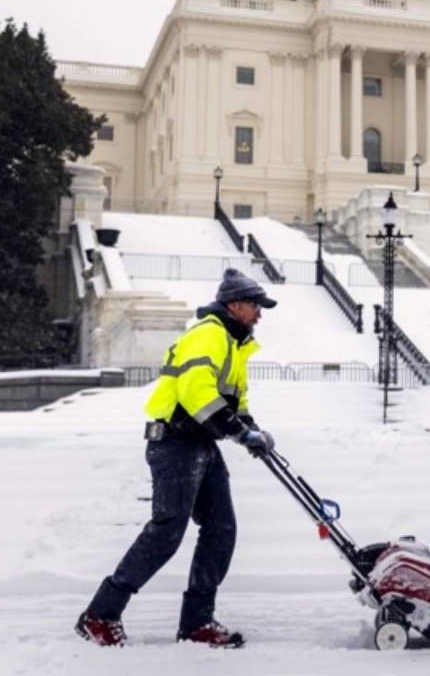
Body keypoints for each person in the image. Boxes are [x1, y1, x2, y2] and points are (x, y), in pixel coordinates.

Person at [75, 268, 279, 649]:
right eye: (256, 306)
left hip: (201, 443)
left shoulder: (236, 345)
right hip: (175, 442)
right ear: (235, 305)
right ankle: (100, 614)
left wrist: (252, 430)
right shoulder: (209, 335)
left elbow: (236, 402)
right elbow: (196, 394)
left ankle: (197, 622)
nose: (259, 314)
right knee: (167, 532)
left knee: (221, 528)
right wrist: (239, 433)